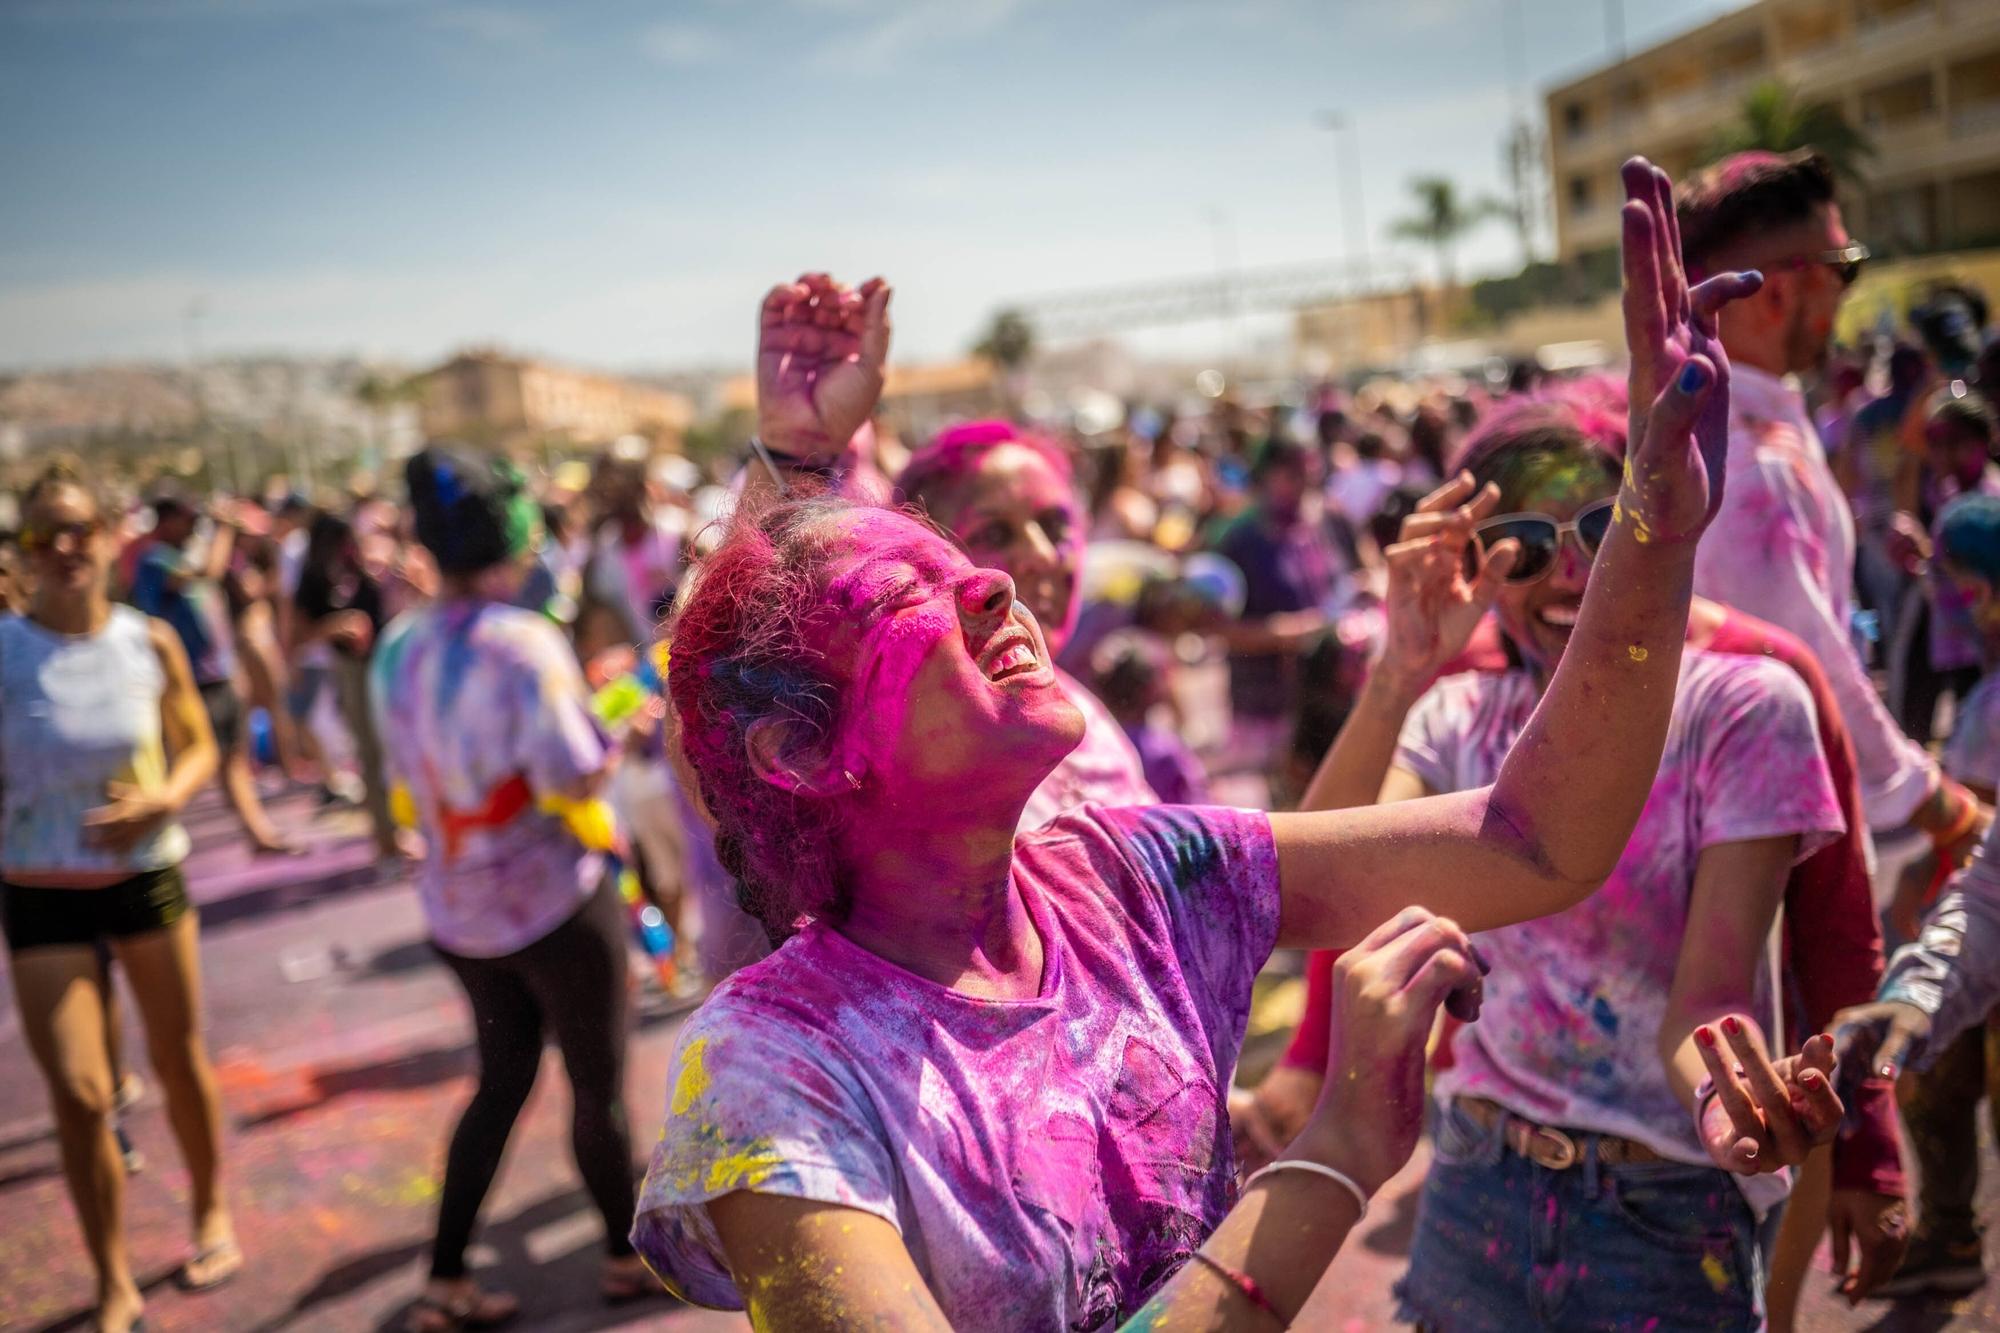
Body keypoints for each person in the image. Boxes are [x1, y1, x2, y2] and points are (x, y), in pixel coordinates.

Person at [632, 170, 1827, 1327]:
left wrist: (1650, 535)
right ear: (799, 752)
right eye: (915, 593)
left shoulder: (1129, 881)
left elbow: (1528, 839)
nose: (999, 584)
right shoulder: (770, 1074)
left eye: (991, 556)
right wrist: (1337, 1158)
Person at [1272, 401, 1848, 1329]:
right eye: (1525, 544)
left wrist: (1728, 1106)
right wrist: (1399, 669)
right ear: (1479, 569)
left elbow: (1706, 999)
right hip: (1472, 1186)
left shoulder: (1743, 707)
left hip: (1663, 1212)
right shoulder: (1456, 718)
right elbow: (1326, 889)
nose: (1573, 568)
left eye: (1600, 526)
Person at [373, 446, 651, 1332]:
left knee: (499, 1082)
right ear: (514, 535)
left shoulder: (398, 644)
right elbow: (571, 773)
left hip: (459, 914)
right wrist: (620, 725)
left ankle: (446, 1273)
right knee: (598, 1081)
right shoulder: (523, 642)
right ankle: (621, 1252)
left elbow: (421, 772)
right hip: (556, 905)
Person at [1676, 149, 1986, 857]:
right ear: (1782, 291)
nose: (1846, 296)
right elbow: (1808, 660)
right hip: (1770, 832)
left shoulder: (1732, 421)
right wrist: (1946, 810)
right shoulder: (1746, 459)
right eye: (1843, 268)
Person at [2, 460, 239, 1333]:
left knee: (178, 1059)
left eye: (78, 529)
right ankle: (111, 1277)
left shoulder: (148, 640)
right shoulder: (3, 649)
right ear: (23, 550)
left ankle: (211, 1208)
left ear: (108, 536)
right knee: (80, 1091)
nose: (63, 547)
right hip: (39, 892)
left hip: (145, 879)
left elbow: (198, 746)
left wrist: (166, 798)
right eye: (42, 534)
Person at [895, 419, 1158, 830]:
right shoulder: (928, 767)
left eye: (1055, 527)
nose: (1042, 557)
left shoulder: (1078, 707)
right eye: (995, 534)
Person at [129, 493, 296, 855]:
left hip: (216, 674)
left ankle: (259, 833)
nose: (192, 525)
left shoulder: (176, 554)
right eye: (186, 518)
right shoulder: (154, 559)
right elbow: (207, 573)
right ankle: (152, 837)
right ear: (166, 518)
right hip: (186, 680)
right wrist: (223, 530)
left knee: (233, 758)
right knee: (186, 761)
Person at [292, 511, 400, 862]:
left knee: (399, 745)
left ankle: (402, 827)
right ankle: (387, 840)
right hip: (351, 668)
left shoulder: (362, 567)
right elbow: (297, 635)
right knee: (370, 753)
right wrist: (336, 627)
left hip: (386, 661)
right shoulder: (313, 578)